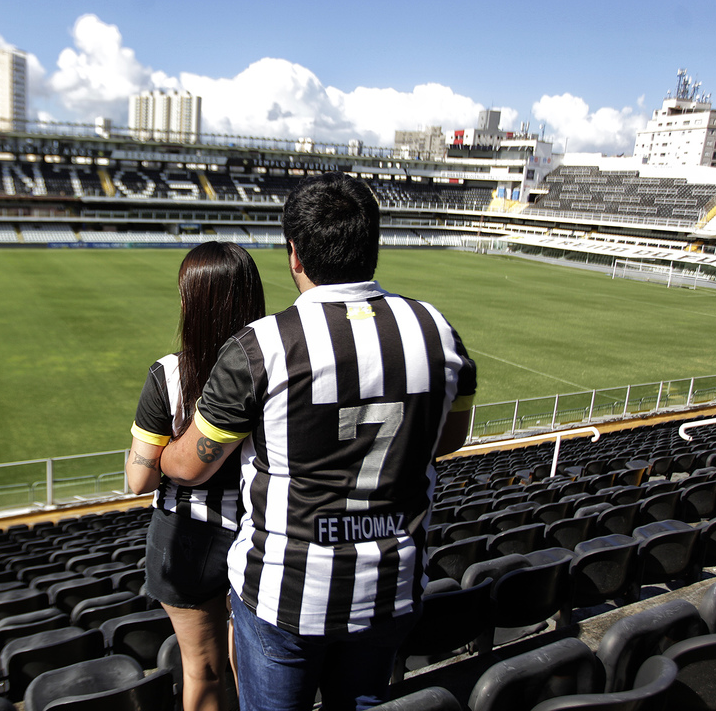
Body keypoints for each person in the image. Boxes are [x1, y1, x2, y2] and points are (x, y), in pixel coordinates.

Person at [160, 173, 477, 711]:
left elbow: (190, 467)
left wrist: (164, 452)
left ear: (294, 254)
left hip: (285, 596)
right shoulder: (436, 330)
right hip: (391, 586)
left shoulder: (260, 346)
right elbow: (447, 439)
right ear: (373, 245)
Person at [126, 240, 266, 711]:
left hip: (184, 538)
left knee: (201, 669)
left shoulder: (168, 374)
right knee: (249, 662)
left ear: (192, 302)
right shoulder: (274, 365)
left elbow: (139, 481)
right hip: (259, 531)